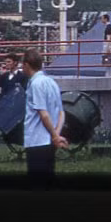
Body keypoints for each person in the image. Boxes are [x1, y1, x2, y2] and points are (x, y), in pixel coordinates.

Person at [21, 47, 68, 180]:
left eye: (22, 65)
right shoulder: (51, 82)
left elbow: (44, 114)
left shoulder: (36, 84)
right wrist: (56, 135)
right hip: (49, 141)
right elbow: (61, 113)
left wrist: (54, 136)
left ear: (26, 65)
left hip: (37, 140)